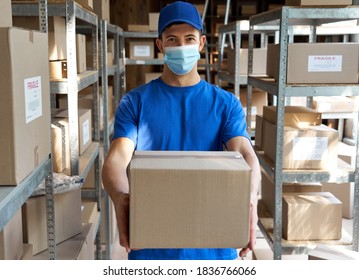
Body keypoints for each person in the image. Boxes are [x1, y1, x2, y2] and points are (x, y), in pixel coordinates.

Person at [102, 1, 260, 260]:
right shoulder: (136, 102)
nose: (181, 46)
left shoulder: (225, 103)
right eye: (172, 39)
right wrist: (121, 197)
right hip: (153, 247)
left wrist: (250, 199)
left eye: (189, 38)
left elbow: (245, 153)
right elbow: (116, 160)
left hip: (213, 248)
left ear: (201, 43)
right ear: (160, 45)